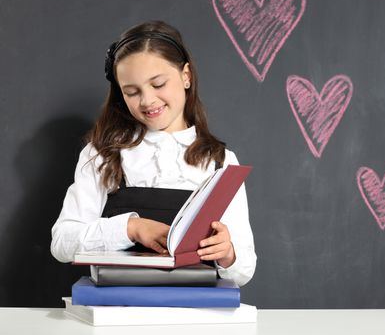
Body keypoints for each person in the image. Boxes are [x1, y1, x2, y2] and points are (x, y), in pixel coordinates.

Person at [50, 20, 256, 286]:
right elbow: (62, 242)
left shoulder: (220, 161)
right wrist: (131, 228)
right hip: (118, 311)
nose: (147, 101)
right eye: (132, 92)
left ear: (186, 76)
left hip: (193, 313)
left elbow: (244, 270)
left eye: (158, 84)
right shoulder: (101, 154)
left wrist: (227, 253)